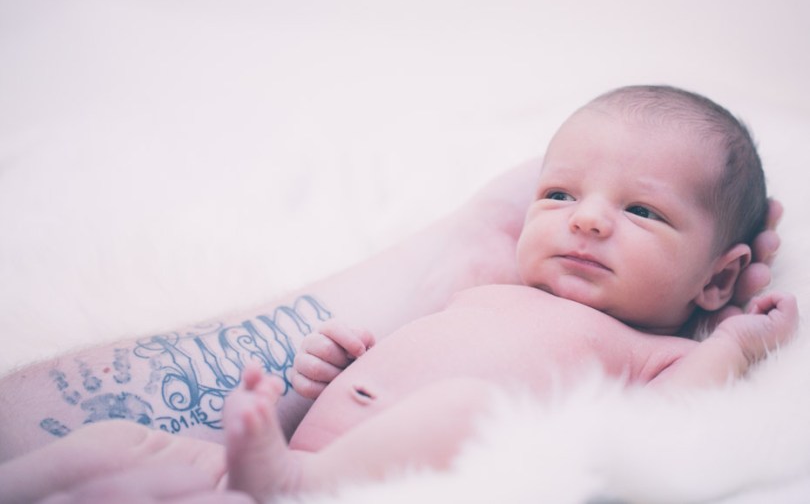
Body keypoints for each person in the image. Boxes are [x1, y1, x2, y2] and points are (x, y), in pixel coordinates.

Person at [0, 86, 784, 503]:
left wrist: (737, 343)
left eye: (641, 210)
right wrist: (330, 372)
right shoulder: (485, 289)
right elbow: (392, 371)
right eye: (557, 194)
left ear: (718, 277)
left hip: (336, 489)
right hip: (267, 465)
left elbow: (670, 423)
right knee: (108, 445)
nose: (585, 220)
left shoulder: (653, 351)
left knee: (473, 407)